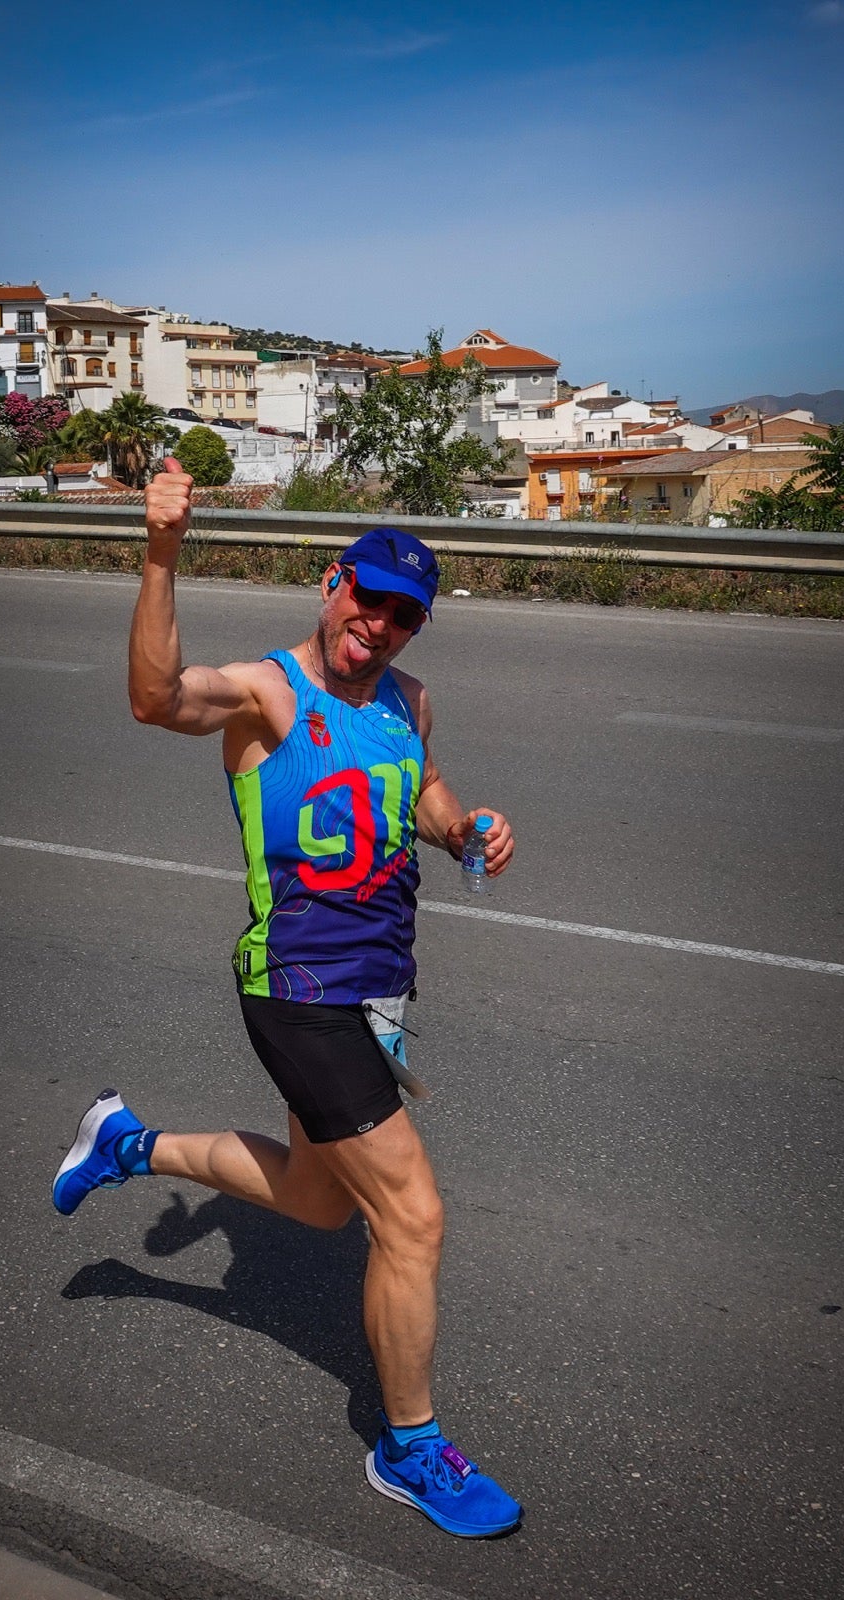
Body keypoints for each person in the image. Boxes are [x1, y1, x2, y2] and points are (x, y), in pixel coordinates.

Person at [52, 458, 521, 1539]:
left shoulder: (407, 700)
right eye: (369, 599)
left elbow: (424, 786)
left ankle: (124, 1143)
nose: (382, 624)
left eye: (406, 615)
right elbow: (153, 698)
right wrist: (162, 551)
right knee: (410, 1217)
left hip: (380, 990)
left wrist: (463, 829)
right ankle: (407, 1449)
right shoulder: (268, 690)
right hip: (299, 986)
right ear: (330, 584)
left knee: (320, 1204)